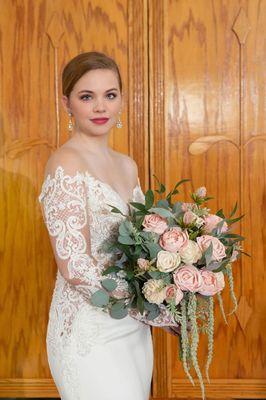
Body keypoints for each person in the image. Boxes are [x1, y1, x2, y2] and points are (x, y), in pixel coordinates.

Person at [38, 51, 180, 400]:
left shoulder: (127, 165)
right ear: (66, 104)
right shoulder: (66, 163)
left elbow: (140, 244)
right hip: (89, 332)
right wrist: (152, 311)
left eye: (110, 95)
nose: (100, 107)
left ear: (120, 99)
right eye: (87, 96)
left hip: (133, 332)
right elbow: (75, 269)